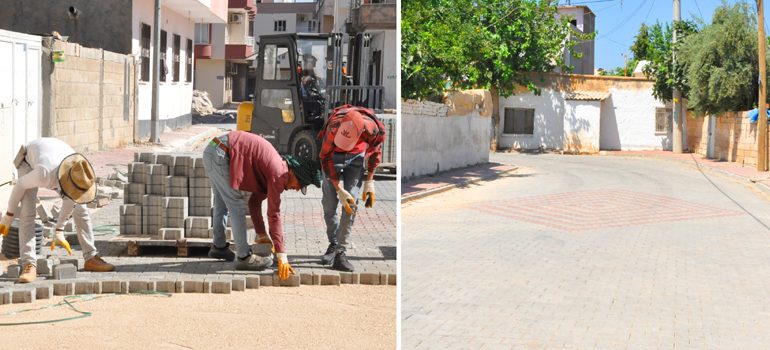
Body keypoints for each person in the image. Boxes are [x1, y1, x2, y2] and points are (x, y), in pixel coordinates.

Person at [202, 131, 321, 280]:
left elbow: (254, 202)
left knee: (221, 203)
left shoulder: (275, 170)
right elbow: (274, 215)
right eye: (300, 185)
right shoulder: (278, 174)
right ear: (294, 174)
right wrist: (281, 254)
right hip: (220, 153)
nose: (297, 189)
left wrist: (262, 234)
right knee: (236, 205)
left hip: (215, 150)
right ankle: (243, 257)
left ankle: (219, 247)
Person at [0, 138, 115, 283]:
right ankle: (29, 264)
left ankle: (90, 257)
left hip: (57, 155)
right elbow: (20, 185)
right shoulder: (44, 174)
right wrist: (9, 214)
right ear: (65, 184)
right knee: (27, 212)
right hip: (28, 160)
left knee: (81, 208)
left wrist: (59, 230)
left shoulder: (78, 169)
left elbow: (71, 201)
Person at [318, 105, 386, 271]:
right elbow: (324, 156)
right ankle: (333, 244)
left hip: (357, 157)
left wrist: (370, 181)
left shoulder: (373, 130)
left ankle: (341, 252)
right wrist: (338, 188)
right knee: (329, 203)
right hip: (333, 156)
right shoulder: (333, 127)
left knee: (351, 204)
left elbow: (376, 153)